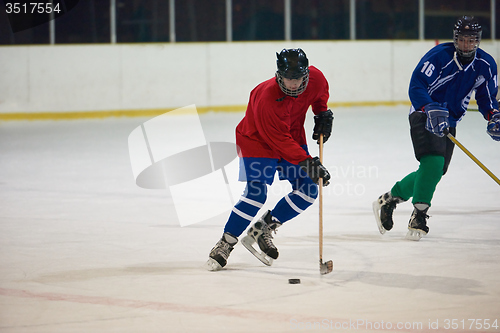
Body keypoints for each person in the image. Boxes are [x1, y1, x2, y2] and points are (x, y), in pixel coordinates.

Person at [373, 16, 500, 241]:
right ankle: (419, 215)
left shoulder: (486, 64)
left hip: (450, 119)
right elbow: (417, 85)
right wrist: (429, 106)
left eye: (471, 41)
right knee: (433, 160)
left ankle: (389, 199)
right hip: (424, 112)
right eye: (462, 40)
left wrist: (493, 116)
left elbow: (486, 98)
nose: (466, 45)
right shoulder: (439, 56)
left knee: (435, 171)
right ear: (455, 39)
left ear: (478, 41)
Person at [206, 48, 333, 270]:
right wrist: (308, 163)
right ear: (279, 74)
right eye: (288, 78)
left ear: (306, 75)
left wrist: (321, 113)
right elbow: (279, 140)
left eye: (298, 79)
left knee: (309, 190)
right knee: (256, 194)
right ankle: (225, 244)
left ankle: (264, 227)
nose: (293, 84)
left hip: (292, 136)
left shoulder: (317, 79)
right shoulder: (266, 97)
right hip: (257, 141)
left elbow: (320, 96)